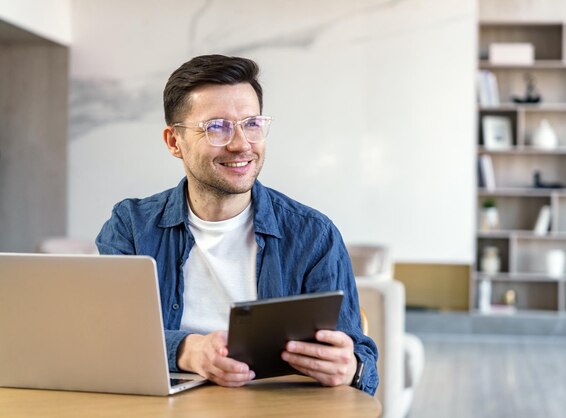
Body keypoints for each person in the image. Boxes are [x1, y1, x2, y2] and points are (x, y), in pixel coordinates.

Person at [96, 55, 378, 395]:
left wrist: (350, 367)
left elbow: (358, 356)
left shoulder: (313, 234)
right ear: (174, 142)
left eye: (252, 124)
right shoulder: (131, 226)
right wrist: (189, 350)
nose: (241, 144)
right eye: (217, 127)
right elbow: (111, 337)